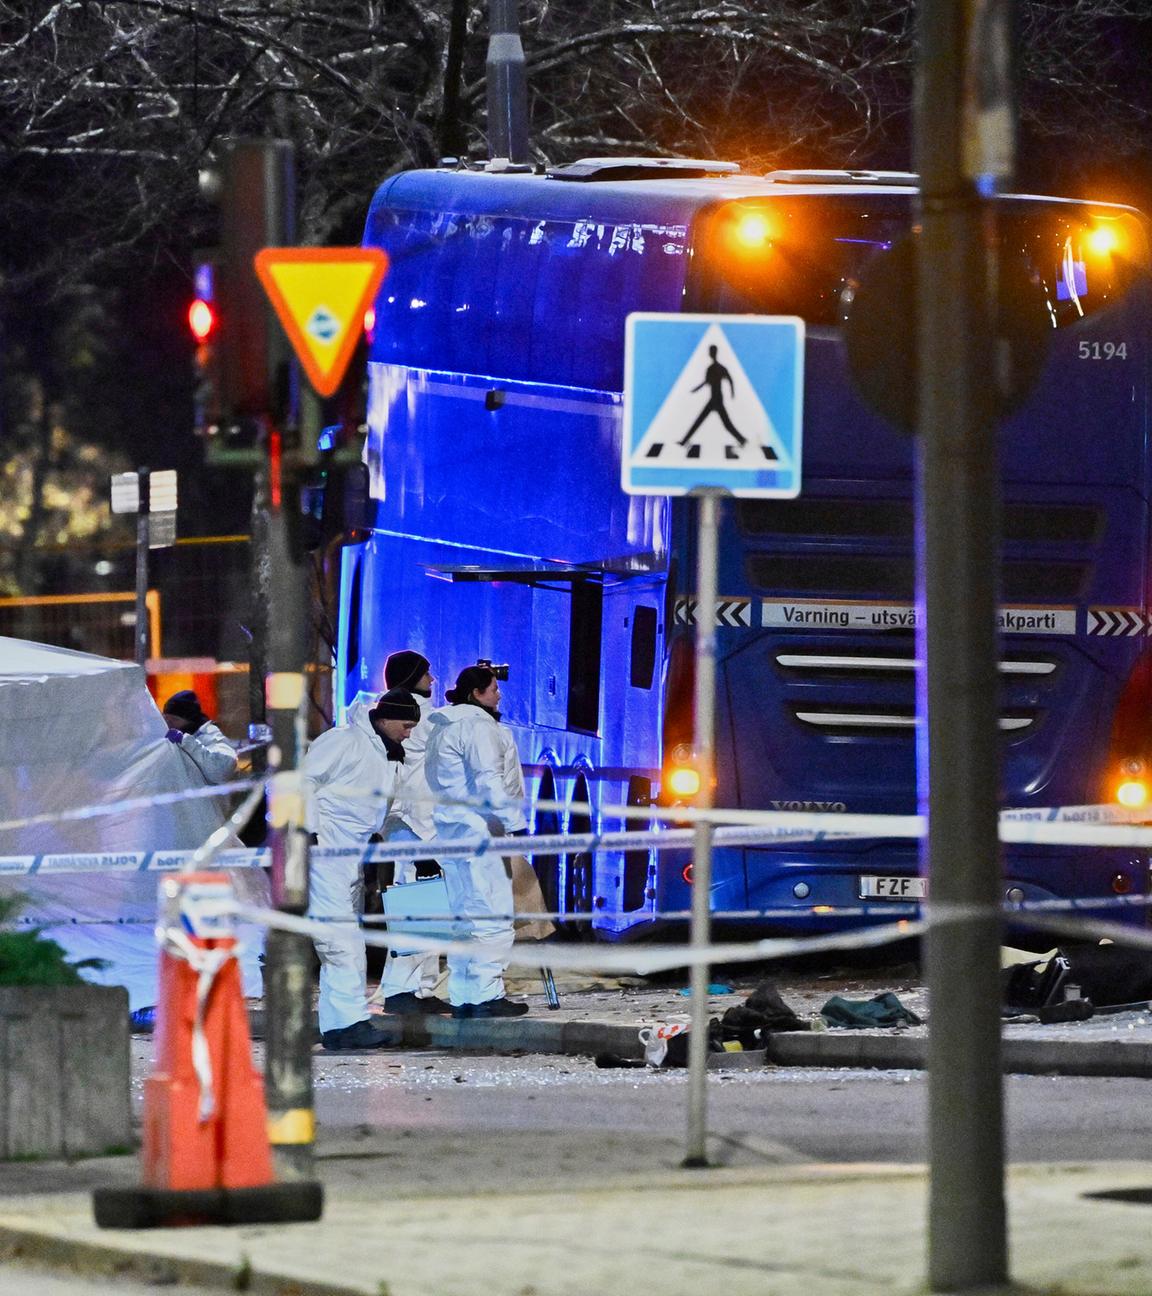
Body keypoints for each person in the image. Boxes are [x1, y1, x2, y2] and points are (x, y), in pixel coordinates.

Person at [302, 688, 420, 1050]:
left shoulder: (388, 756)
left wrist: (417, 849)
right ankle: (347, 1024)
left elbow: (389, 813)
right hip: (325, 851)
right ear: (384, 720)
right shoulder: (344, 741)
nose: (409, 733)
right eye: (405, 725)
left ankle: (341, 1025)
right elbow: (300, 781)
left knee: (343, 939)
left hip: (347, 858)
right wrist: (305, 832)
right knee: (340, 941)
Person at [424, 665, 528, 1019]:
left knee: (464, 919)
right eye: (494, 688)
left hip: (451, 833)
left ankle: (464, 996)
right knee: (493, 916)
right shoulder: (479, 727)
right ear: (476, 694)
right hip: (483, 833)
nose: (499, 694)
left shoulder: (442, 727)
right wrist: (516, 825)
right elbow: (489, 781)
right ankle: (485, 995)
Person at [372, 649, 450, 1015]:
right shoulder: (422, 718)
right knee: (418, 909)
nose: (432, 680)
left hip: (414, 827)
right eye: (426, 674)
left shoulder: (403, 716)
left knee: (425, 909)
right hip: (417, 828)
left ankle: (419, 988)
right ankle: (403, 990)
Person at [161, 690, 239, 786]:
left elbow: (221, 770)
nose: (169, 724)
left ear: (189, 720)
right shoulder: (169, 739)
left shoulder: (209, 735)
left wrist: (186, 742)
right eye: (166, 719)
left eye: (174, 719)